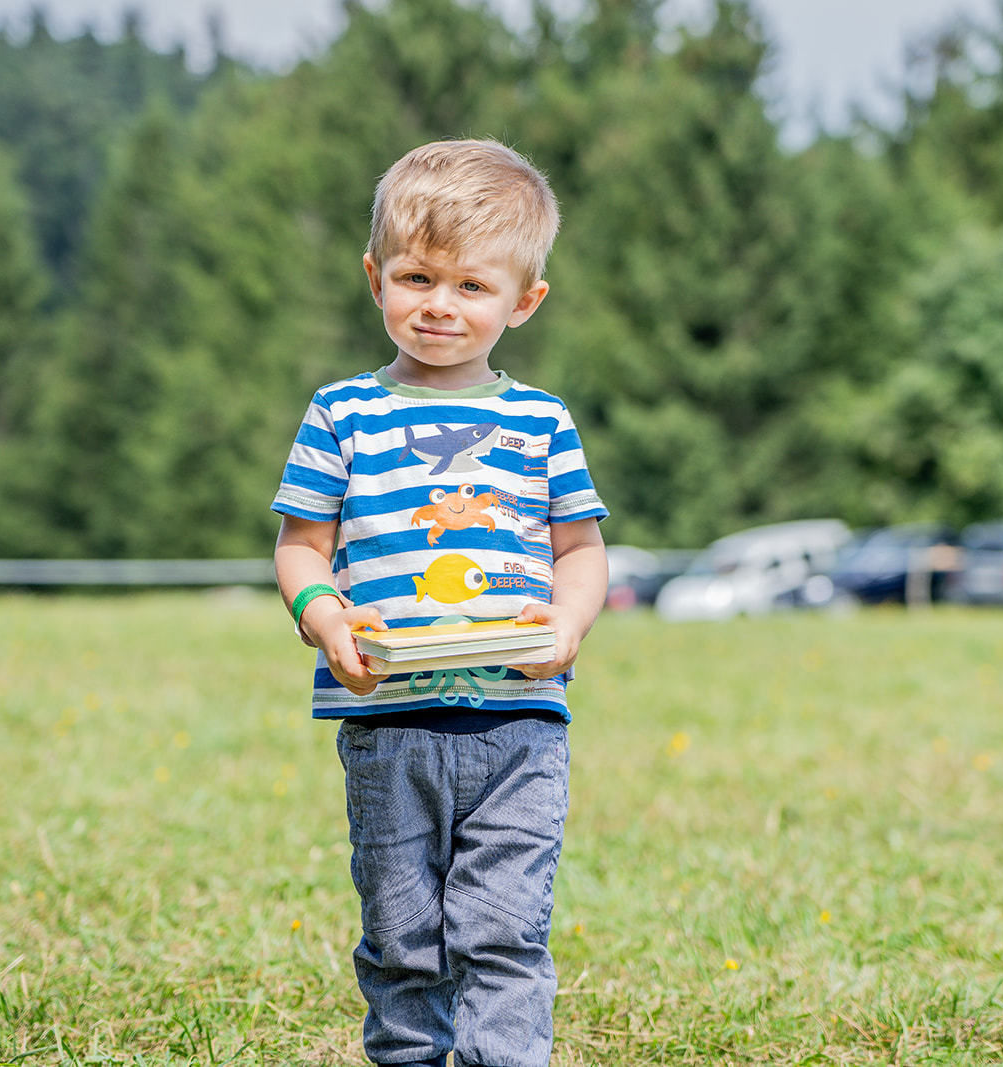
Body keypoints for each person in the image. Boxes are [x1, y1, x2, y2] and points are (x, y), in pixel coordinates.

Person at [271, 139, 609, 1067]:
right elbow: (301, 546)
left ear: (523, 301)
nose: (439, 305)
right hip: (389, 719)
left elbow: (580, 549)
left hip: (520, 721)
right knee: (403, 936)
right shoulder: (342, 412)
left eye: (471, 286)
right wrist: (326, 619)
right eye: (417, 277)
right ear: (376, 277)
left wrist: (569, 625)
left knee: (504, 932)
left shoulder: (542, 422)